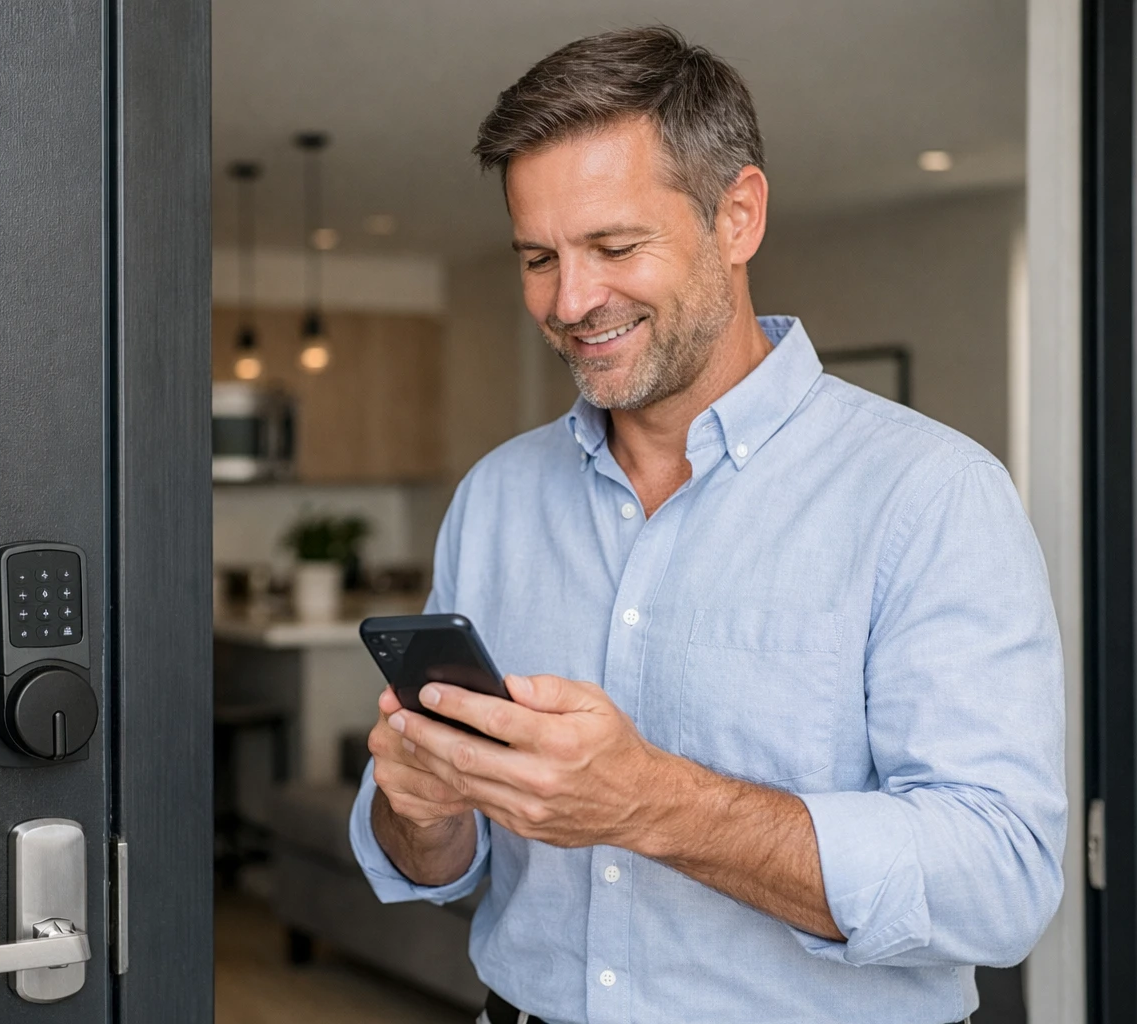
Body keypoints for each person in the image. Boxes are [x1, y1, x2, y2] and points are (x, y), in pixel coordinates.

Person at [349, 26, 1065, 1024]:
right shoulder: (497, 498)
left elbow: (1001, 879)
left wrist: (653, 802)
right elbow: (436, 862)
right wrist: (418, 809)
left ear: (737, 217)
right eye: (539, 258)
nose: (571, 300)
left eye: (614, 246)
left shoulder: (931, 494)